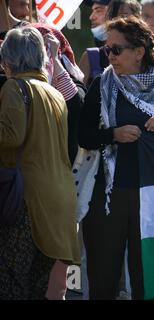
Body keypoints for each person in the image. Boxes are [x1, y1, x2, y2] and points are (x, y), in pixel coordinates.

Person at [78, 16, 154, 300]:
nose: (109, 55)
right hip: (109, 194)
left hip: (150, 195)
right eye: (107, 48)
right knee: (103, 278)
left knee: (145, 276)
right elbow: (84, 136)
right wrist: (113, 134)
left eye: (117, 49)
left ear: (139, 52)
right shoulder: (101, 84)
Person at [0, 26, 80, 299]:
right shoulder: (54, 93)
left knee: (10, 283)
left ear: (7, 61)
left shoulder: (14, 87)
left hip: (26, 202)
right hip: (59, 203)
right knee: (38, 288)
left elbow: (11, 137)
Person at [80, 0, 141, 86]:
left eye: (99, 10)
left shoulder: (148, 57)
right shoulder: (91, 57)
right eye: (113, 15)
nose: (92, 17)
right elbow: (78, 96)